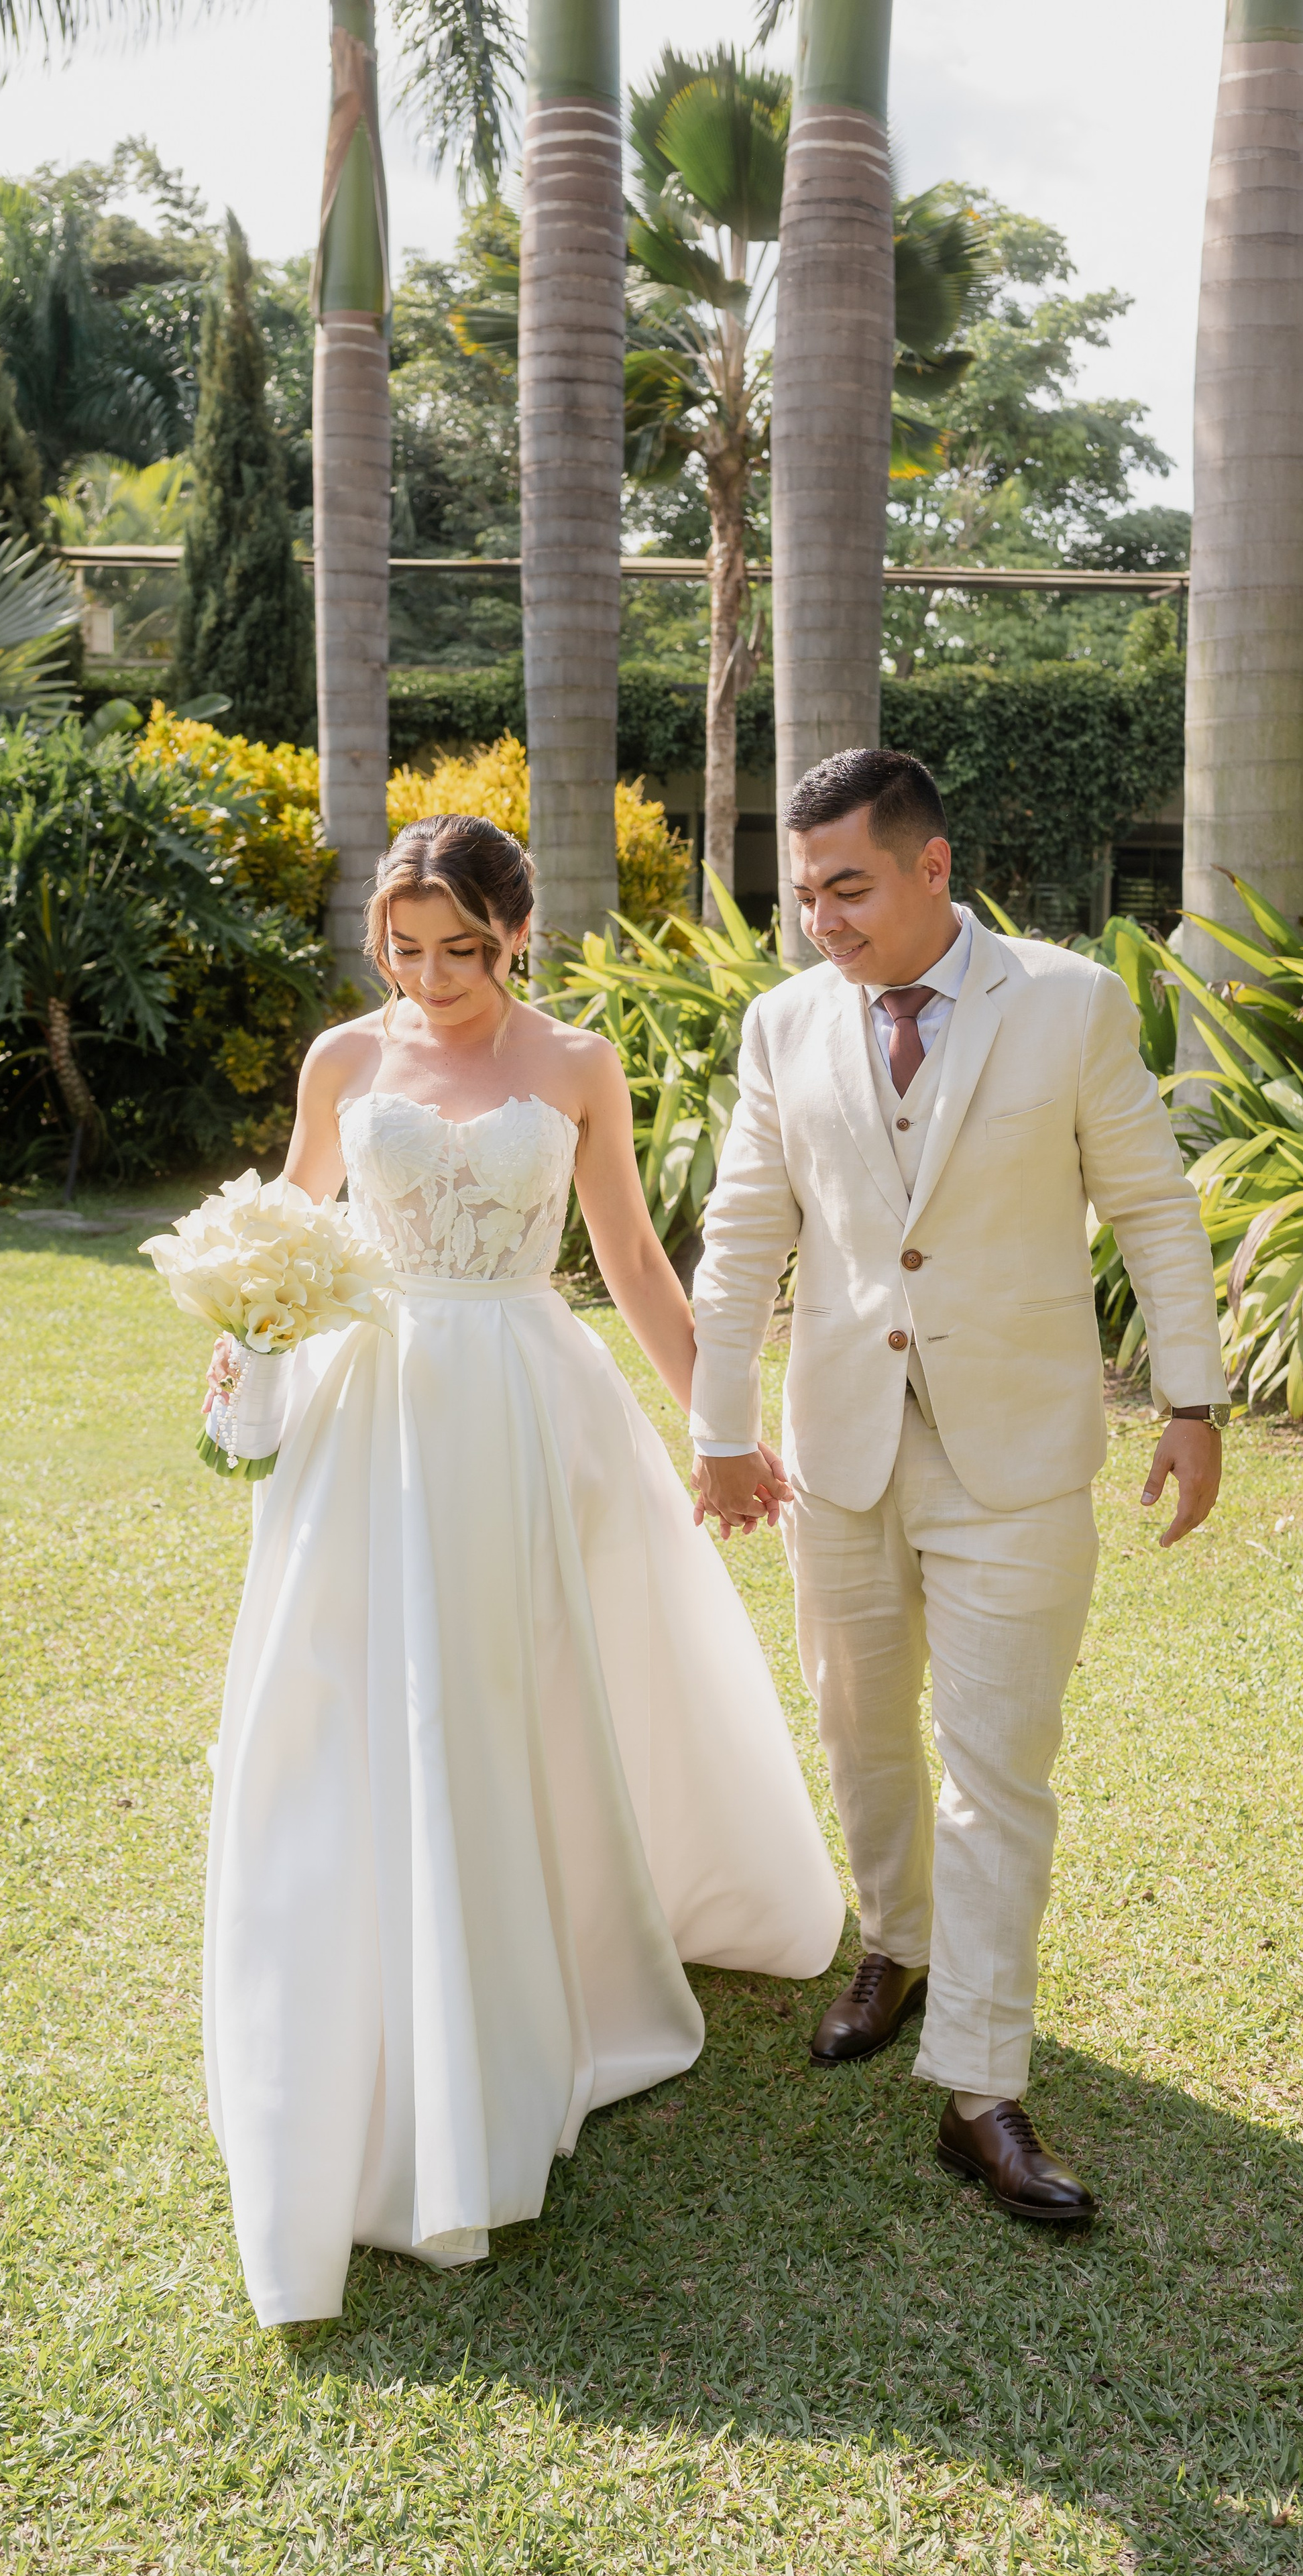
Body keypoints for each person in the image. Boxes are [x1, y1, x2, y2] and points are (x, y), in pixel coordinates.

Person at [203, 814, 843, 2327]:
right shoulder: (342, 1063)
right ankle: (381, 1970)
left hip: (521, 1398)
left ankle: (543, 1951)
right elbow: (290, 1224)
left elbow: (629, 1261)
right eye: (402, 951)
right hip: (374, 1416)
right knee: (364, 1689)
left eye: (462, 952)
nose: (429, 980)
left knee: (518, 1680)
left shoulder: (577, 1067)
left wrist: (723, 1425)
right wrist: (244, 1333)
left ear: (515, 936)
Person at [689, 749, 1226, 2227]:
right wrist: (719, 1424)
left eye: (846, 887)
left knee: (996, 1768)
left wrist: (1192, 1397)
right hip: (841, 1445)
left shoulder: (1066, 1001)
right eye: (801, 894)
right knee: (859, 1726)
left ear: (932, 867)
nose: (820, 921)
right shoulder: (781, 1022)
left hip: (1018, 1453)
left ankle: (980, 2086)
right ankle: (892, 1939)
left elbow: (1148, 1206)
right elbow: (742, 1234)